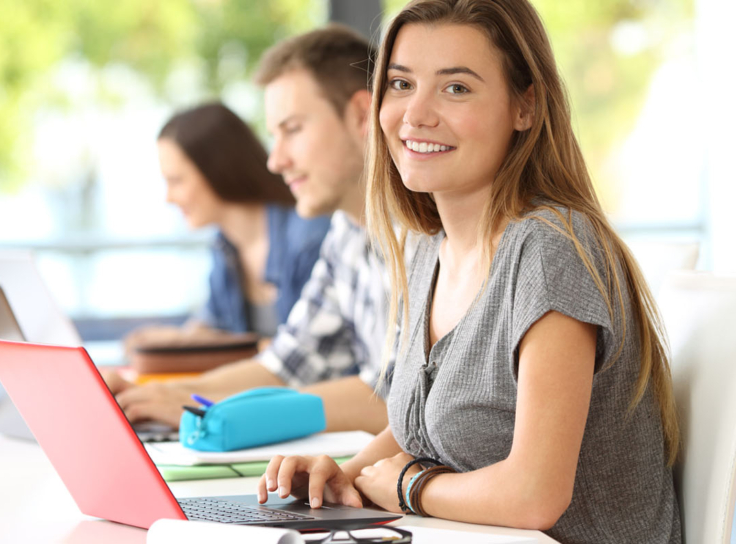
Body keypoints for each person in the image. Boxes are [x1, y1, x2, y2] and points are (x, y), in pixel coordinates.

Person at [258, 1, 682, 543]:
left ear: (525, 106)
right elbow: (420, 425)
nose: (416, 114)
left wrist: (410, 486)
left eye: (456, 88)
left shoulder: (550, 250)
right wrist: (347, 477)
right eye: (402, 83)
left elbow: (535, 496)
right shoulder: (426, 250)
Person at [108, 25, 402, 434]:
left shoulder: (428, 234)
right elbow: (287, 365)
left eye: (293, 129)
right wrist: (175, 394)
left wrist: (218, 412)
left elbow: (402, 399)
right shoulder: (346, 235)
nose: (275, 161)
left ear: (360, 116)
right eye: (273, 135)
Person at [125, 103, 331, 349]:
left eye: (176, 180)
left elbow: (308, 354)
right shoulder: (224, 248)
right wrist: (174, 341)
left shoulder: (310, 238)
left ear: (217, 170)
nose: (168, 198)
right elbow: (214, 325)